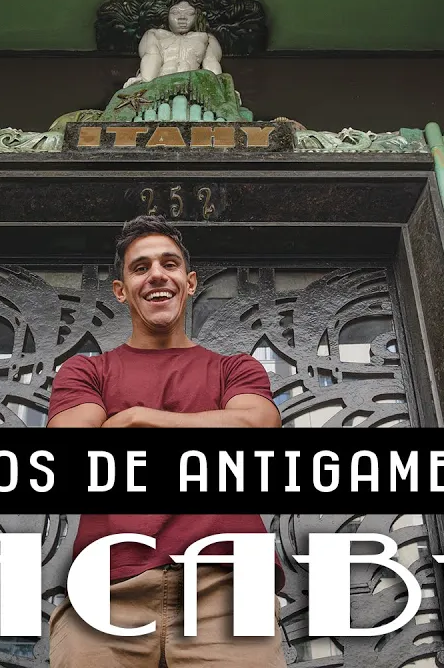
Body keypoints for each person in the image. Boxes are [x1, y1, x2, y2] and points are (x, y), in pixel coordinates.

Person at [46, 215, 287, 667]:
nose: (157, 274)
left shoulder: (235, 369)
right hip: (107, 588)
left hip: (227, 584)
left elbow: (256, 428)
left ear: (189, 282)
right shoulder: (86, 371)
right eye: (141, 268)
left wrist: (137, 418)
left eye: (169, 264)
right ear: (121, 290)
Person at [124, 1, 223, 88]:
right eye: (175, 12)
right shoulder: (155, 34)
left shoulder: (205, 38)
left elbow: (211, 61)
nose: (182, 17)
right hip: (161, 83)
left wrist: (218, 86)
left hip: (192, 85)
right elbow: (151, 55)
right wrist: (146, 81)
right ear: (166, 15)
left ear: (197, 17)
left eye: (189, 13)